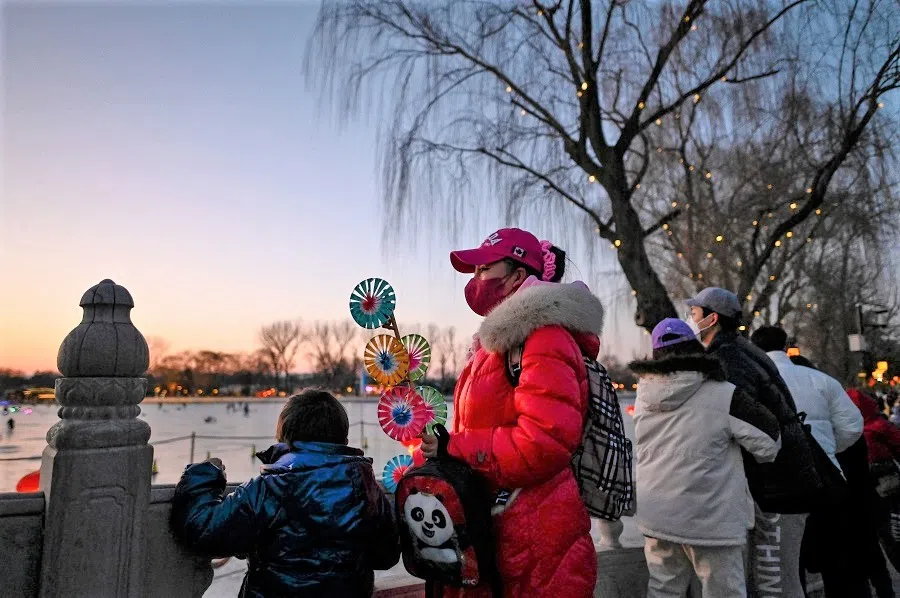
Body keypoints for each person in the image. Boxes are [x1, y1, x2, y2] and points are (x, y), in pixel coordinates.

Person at [420, 227, 602, 597]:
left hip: (537, 542)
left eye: (483, 269)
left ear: (518, 275)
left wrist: (454, 447)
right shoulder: (495, 345)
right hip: (502, 535)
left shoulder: (543, 338)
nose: (474, 281)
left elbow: (544, 443)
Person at [170, 390, 399, 597]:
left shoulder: (272, 486)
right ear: (344, 440)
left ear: (284, 437)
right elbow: (386, 556)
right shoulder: (367, 487)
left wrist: (205, 474)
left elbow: (203, 529)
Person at [629, 319, 781, 597]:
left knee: (664, 590)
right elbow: (769, 442)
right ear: (697, 350)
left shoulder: (643, 396)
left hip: (659, 516)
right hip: (712, 520)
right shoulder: (725, 394)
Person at [684, 287, 808, 597]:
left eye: (694, 313)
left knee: (773, 581)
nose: (690, 317)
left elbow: (741, 419)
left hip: (775, 483)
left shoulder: (728, 357)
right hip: (777, 477)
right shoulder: (740, 348)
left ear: (712, 319)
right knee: (773, 577)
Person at [750, 326, 866, 596]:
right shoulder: (821, 380)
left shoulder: (754, 384)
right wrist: (825, 450)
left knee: (788, 568)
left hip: (779, 489)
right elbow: (852, 426)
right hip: (825, 482)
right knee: (836, 562)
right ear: (786, 345)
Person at [848, 388, 900, 575]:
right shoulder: (880, 425)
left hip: (872, 486)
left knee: (885, 533)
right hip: (885, 484)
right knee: (887, 532)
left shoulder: (849, 430)